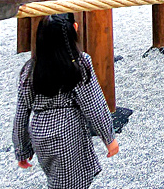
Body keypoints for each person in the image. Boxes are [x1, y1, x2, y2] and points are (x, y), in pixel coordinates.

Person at [14, 13, 118, 188]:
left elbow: (21, 112)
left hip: (40, 134)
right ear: (74, 29)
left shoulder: (30, 68)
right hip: (67, 132)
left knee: (57, 180)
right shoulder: (79, 63)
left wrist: (22, 149)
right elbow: (93, 104)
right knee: (70, 184)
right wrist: (109, 138)